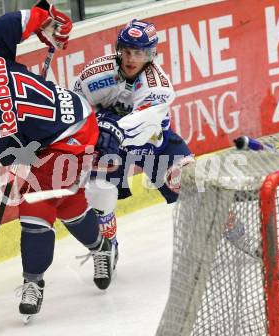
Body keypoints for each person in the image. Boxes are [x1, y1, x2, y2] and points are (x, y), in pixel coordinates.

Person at [0, 0, 116, 321]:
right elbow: (15, 21)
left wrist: (49, 24)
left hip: (73, 131)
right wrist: (48, 20)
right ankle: (102, 245)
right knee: (66, 202)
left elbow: (15, 157)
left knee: (36, 204)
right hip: (60, 126)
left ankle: (34, 283)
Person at [73, 19, 194, 268]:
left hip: (153, 144)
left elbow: (140, 127)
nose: (130, 58)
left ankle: (240, 234)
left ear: (150, 55)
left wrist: (108, 125)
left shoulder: (158, 86)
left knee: (193, 186)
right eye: (127, 51)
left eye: (139, 53)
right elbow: (75, 111)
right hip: (110, 146)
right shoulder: (92, 75)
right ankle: (106, 248)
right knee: (98, 189)